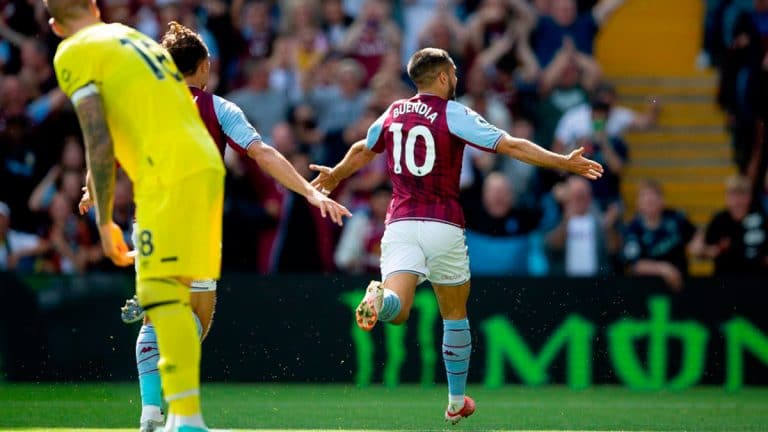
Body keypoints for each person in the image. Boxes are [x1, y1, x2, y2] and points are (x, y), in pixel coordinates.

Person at [79, 21, 350, 431]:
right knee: (198, 322)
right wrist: (308, 192)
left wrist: (90, 192)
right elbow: (263, 153)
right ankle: (180, 417)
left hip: (149, 220)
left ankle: (152, 413)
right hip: (195, 224)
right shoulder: (219, 108)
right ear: (203, 67)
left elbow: (104, 151)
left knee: (158, 321)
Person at [309, 47, 603, 424]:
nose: (458, 79)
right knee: (454, 313)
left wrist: (334, 174)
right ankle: (455, 400)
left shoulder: (393, 112)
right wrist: (561, 161)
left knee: (397, 312)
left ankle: (380, 300)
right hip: (443, 223)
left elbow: (363, 149)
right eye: (455, 73)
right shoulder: (453, 113)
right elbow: (509, 144)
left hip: (399, 224)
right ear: (444, 77)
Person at [47, 1, 224, 430]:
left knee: (168, 306)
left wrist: (105, 218)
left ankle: (168, 415)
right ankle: (178, 417)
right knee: (179, 309)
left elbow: (100, 135)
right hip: (202, 171)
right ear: (94, 6)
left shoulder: (73, 51)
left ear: (54, 26)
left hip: (161, 184)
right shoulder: (135, 38)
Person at [622, 179, 696, 291]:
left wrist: (697, 245)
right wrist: (664, 269)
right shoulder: (633, 229)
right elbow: (634, 264)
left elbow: (695, 234)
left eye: (653, 196)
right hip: (647, 289)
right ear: (638, 203)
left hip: (681, 286)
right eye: (645, 196)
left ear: (662, 200)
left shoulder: (675, 218)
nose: (649, 199)